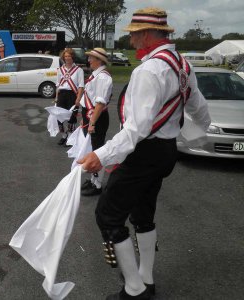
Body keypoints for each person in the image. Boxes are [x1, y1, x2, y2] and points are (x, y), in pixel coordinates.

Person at [78, 7, 211, 300]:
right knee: (142, 214)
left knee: (108, 216)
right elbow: (199, 109)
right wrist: (196, 132)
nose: (132, 40)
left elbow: (136, 129)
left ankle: (135, 289)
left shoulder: (149, 70)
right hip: (164, 152)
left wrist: (103, 154)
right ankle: (146, 280)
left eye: (135, 34)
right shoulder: (182, 64)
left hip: (144, 152)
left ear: (148, 35)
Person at [80, 48, 113, 197]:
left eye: (91, 58)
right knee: (92, 150)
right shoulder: (96, 76)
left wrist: (92, 123)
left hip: (97, 118)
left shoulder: (103, 78)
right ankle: (93, 180)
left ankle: (98, 184)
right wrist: (86, 119)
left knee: (97, 151)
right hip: (91, 117)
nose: (88, 61)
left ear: (99, 60)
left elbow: (99, 103)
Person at [55, 48, 84, 145]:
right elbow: (58, 85)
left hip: (72, 95)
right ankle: (64, 135)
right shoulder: (60, 70)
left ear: (73, 57)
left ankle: (71, 138)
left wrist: (78, 98)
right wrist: (56, 97)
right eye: (65, 56)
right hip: (62, 94)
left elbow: (81, 86)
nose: (67, 58)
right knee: (59, 117)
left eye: (69, 56)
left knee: (72, 117)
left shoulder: (79, 70)